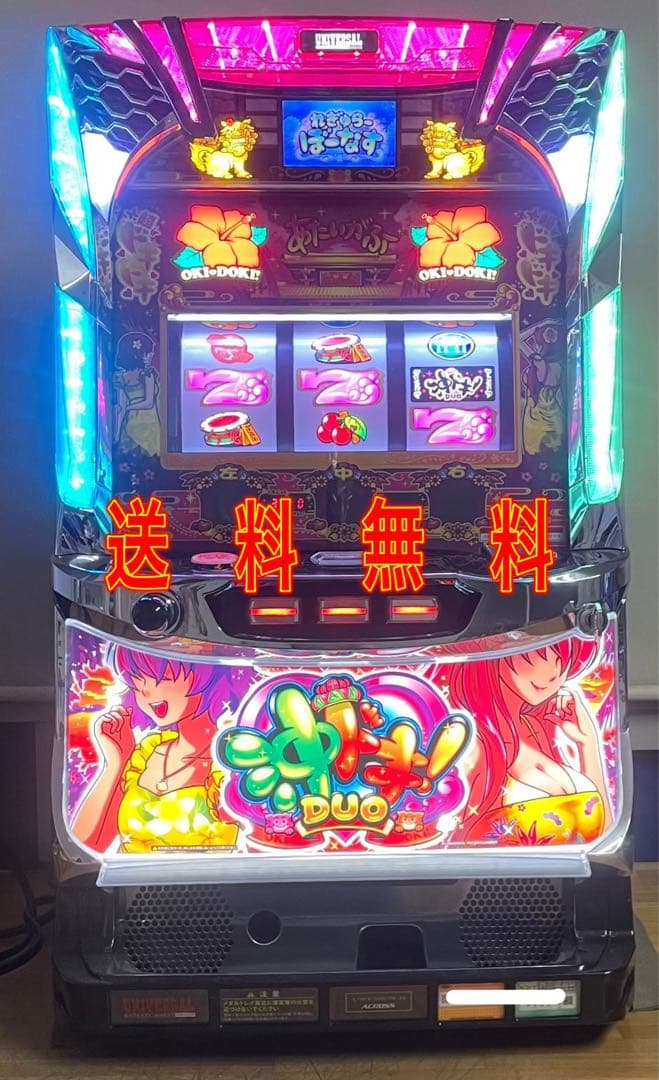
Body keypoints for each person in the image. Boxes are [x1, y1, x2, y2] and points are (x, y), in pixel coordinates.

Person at [445, 636, 612, 844]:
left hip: (577, 863)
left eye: (561, 658)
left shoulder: (535, 728)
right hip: (502, 865)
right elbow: (452, 842)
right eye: (536, 653)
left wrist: (587, 743)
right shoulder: (477, 745)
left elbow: (603, 832)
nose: (554, 671)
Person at [73, 647, 238, 854]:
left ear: (205, 675)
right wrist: (117, 761)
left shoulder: (233, 758)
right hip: (127, 873)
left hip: (208, 873)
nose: (145, 691)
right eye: (137, 680)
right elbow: (85, 846)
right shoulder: (148, 751)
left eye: (162, 677)